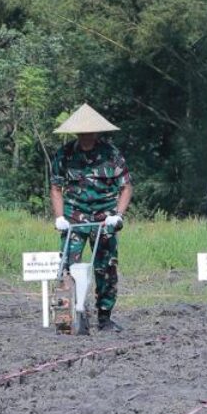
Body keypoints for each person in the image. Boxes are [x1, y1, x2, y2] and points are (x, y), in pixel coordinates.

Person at [50, 104, 133, 332]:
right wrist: (59, 217)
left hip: (104, 217)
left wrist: (118, 215)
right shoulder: (64, 154)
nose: (86, 136)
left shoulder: (111, 154)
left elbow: (126, 187)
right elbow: (56, 187)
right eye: (82, 132)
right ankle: (67, 316)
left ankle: (104, 317)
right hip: (74, 217)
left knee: (106, 267)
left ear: (96, 132)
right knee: (68, 265)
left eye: (90, 132)